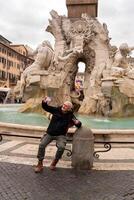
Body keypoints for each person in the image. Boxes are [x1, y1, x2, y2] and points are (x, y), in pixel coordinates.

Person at [34, 96, 82, 172]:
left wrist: (78, 123)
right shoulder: (56, 110)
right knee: (42, 145)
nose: (64, 106)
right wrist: (44, 102)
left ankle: (55, 161)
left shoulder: (70, 115)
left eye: (66, 106)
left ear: (69, 108)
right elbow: (46, 107)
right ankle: (40, 163)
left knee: (61, 147)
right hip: (50, 133)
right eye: (64, 104)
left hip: (61, 135)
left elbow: (78, 124)